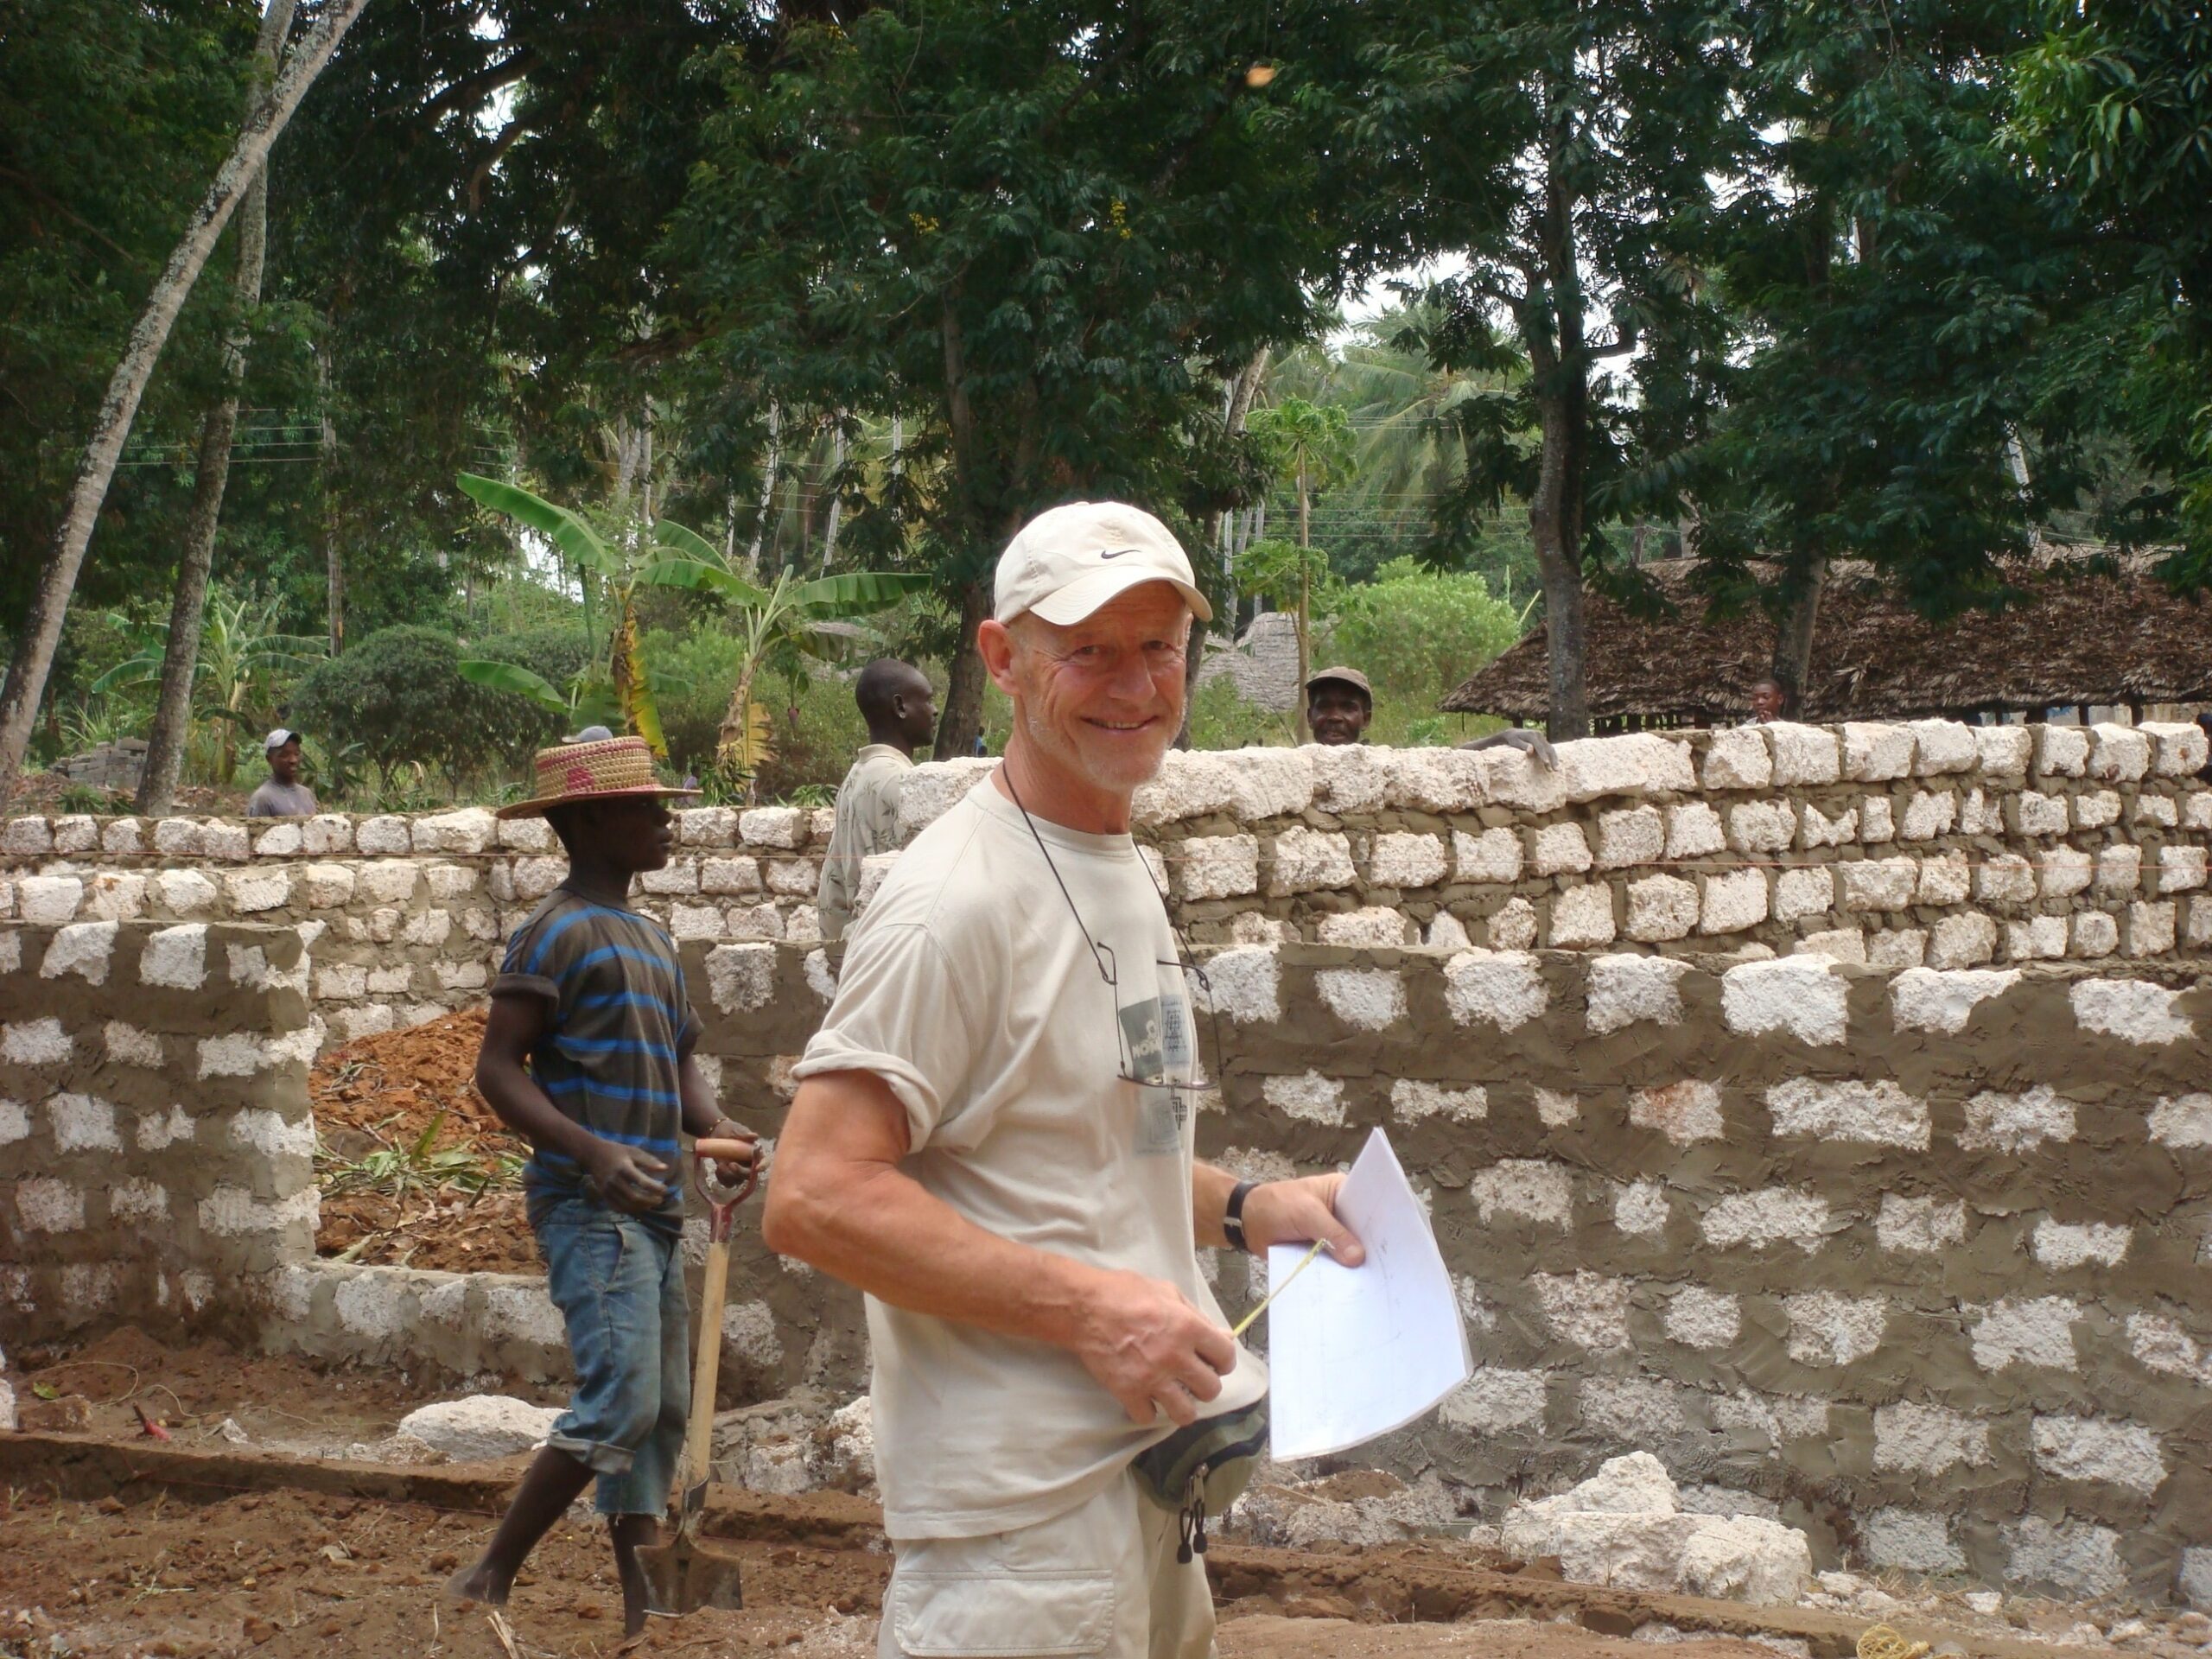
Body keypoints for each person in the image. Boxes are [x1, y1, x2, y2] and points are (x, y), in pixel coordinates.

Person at [765, 501, 1365, 1659]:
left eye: (1156, 649)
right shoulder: (954, 904)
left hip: (1148, 1493)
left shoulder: (1120, 867)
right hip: (1019, 1542)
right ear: (1003, 659)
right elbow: (814, 1194)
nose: (1130, 685)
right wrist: (1092, 1312)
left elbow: (1106, 1134)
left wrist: (1248, 1209)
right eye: (1085, 649)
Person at [449, 728, 756, 1638]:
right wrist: (590, 1151)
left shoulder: (654, 941)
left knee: (658, 1415)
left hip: (653, 1205)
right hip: (591, 1204)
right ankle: (490, 1572)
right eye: (646, 807)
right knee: (620, 1397)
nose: (667, 821)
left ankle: (644, 1614)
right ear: (588, 821)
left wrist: (721, 1130)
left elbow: (681, 1067)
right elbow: (499, 1070)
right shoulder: (553, 932)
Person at [816, 658, 937, 944]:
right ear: (900, 707)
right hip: (887, 944)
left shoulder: (858, 774)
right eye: (928, 700)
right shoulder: (901, 782)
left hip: (856, 946)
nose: (934, 710)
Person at [1304, 666, 1557, 766]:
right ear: (1309, 716)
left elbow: (1446, 759)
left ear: (1366, 719)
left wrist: (1504, 737)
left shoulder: (1381, 765)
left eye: (1348, 708)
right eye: (1324, 707)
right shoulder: (1299, 767)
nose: (1335, 717)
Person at [245, 728, 318, 817]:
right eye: (284, 755)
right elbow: (256, 830)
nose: (293, 760)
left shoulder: (306, 794)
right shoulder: (263, 798)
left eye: (297, 753)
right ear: (269, 759)